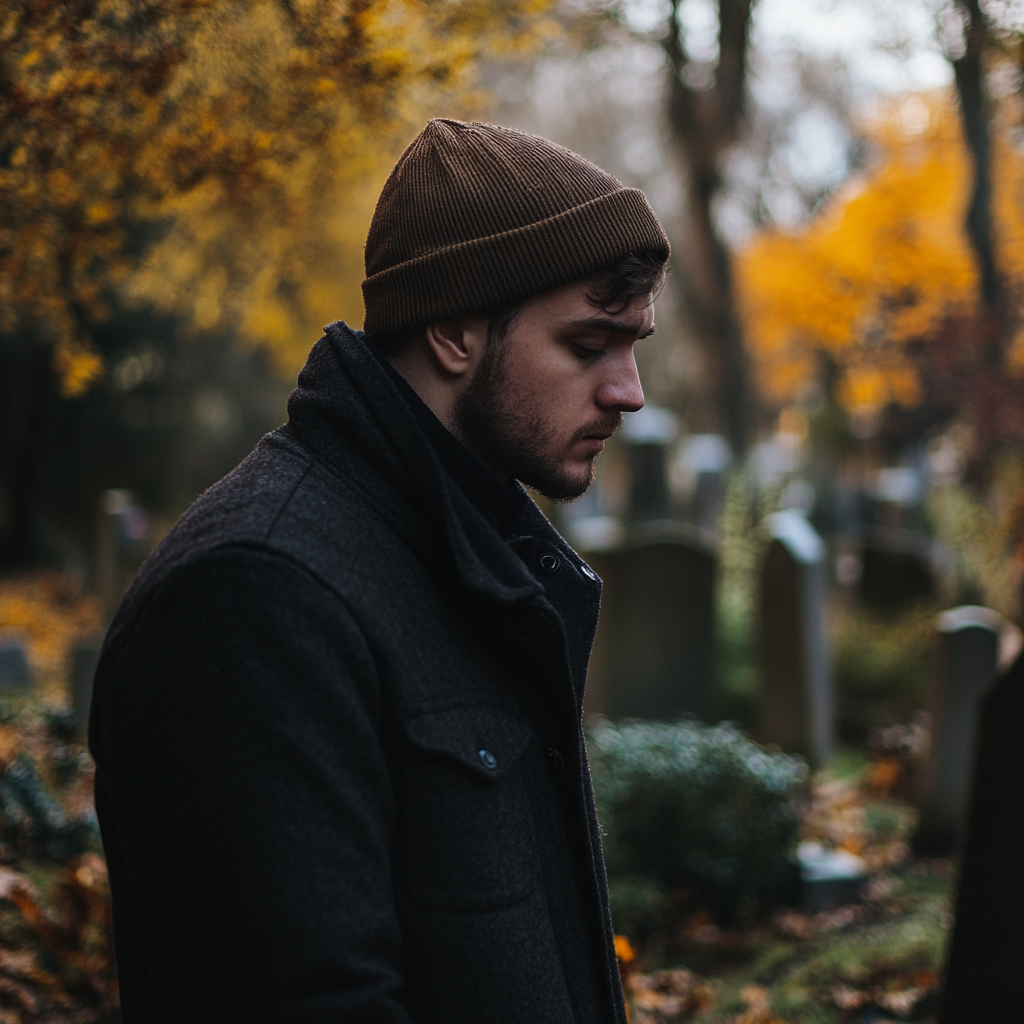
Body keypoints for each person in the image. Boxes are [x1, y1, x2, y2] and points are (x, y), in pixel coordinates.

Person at [90, 118, 670, 1023]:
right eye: (589, 345)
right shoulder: (256, 595)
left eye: (634, 345)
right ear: (451, 334)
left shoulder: (466, 557)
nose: (628, 390)